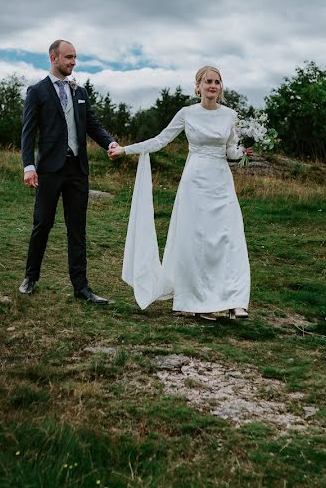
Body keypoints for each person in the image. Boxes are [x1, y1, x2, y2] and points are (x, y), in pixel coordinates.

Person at [108, 66, 252, 319]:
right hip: (194, 181)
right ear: (198, 86)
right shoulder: (187, 113)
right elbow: (160, 140)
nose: (213, 86)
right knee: (195, 242)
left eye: (217, 82)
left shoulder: (231, 116)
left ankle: (235, 299)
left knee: (229, 239)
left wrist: (244, 152)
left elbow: (230, 151)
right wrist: (126, 149)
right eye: (208, 81)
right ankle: (198, 301)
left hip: (221, 182)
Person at [19, 39, 118, 304]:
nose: (73, 62)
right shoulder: (37, 91)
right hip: (49, 170)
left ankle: (81, 287)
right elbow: (28, 133)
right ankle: (31, 277)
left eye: (74, 58)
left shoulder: (80, 92)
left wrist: (110, 142)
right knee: (43, 224)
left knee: (77, 228)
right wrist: (29, 166)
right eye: (68, 58)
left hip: (77, 170)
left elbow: (92, 124)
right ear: (53, 58)